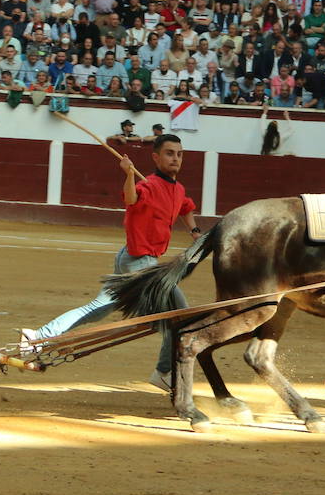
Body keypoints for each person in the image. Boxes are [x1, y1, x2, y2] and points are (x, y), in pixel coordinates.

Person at [23, 135, 198, 390]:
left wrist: (195, 231)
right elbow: (130, 199)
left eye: (179, 154)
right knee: (179, 315)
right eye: (170, 153)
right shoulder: (147, 185)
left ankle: (39, 336)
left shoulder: (177, 189)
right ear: (156, 157)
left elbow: (185, 207)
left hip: (131, 258)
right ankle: (163, 371)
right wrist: (128, 174)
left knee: (100, 307)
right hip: (141, 263)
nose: (175, 158)